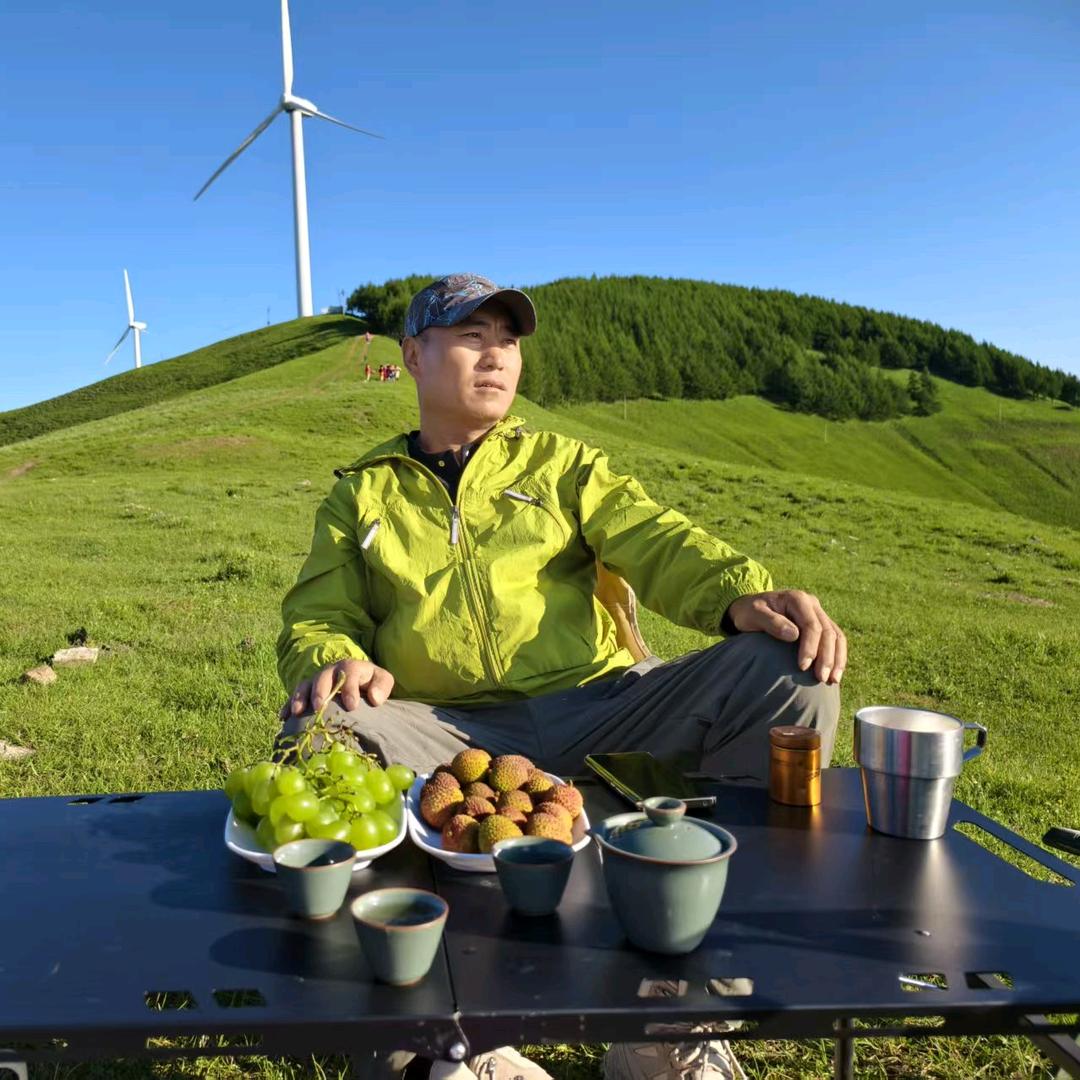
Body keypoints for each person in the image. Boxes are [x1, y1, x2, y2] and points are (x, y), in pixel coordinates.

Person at [278, 274, 845, 1080]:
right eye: (471, 337)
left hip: (604, 707)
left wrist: (738, 592)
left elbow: (656, 537)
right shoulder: (362, 494)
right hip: (444, 731)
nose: (496, 356)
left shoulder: (562, 463)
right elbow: (317, 614)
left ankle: (676, 1013)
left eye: (508, 341)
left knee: (786, 669)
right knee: (319, 730)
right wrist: (332, 658)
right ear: (412, 355)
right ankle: (433, 1039)